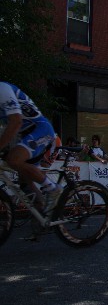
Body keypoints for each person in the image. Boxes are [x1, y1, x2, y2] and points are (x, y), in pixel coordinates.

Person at [0, 81, 62, 213]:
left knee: (13, 160)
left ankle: (53, 189)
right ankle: (43, 215)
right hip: (25, 134)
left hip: (40, 129)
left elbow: (16, 121)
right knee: (24, 181)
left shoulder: (2, 89)